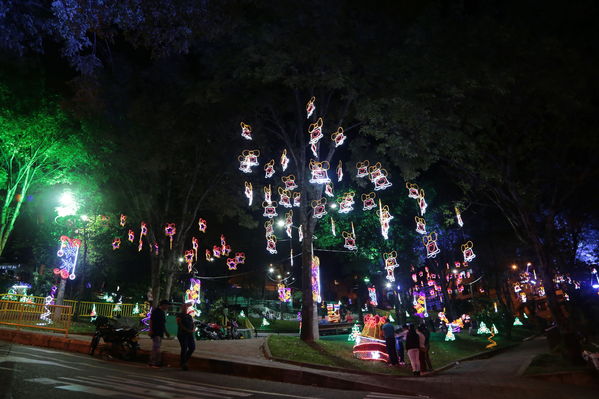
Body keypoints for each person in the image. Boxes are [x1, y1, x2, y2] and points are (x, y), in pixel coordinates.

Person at [149, 299, 171, 368]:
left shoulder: (162, 312)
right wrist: (151, 330)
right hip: (156, 332)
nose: (167, 307)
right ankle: (153, 362)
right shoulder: (156, 311)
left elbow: (162, 324)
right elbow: (151, 321)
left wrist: (165, 332)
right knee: (156, 347)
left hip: (159, 332)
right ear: (163, 305)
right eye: (167, 305)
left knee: (156, 347)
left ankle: (155, 361)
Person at [176, 303, 196, 370]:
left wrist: (192, 329)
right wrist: (187, 330)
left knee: (192, 347)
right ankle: (183, 363)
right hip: (182, 334)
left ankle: (184, 361)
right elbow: (179, 324)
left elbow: (193, 323)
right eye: (184, 307)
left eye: (186, 307)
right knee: (184, 348)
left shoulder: (189, 316)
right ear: (182, 308)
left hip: (189, 334)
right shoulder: (179, 315)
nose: (185, 308)